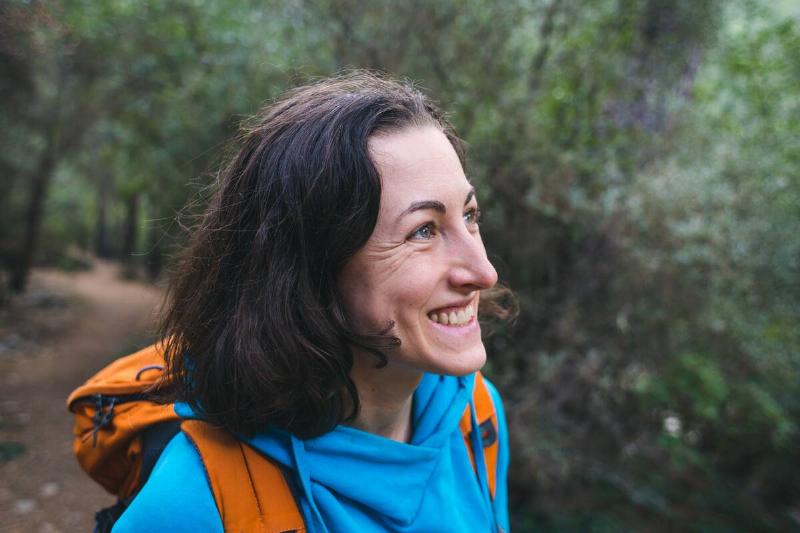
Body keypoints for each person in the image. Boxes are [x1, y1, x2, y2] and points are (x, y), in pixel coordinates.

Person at [112, 71, 513, 532]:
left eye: (470, 215)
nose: (484, 272)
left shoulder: (475, 416)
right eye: (423, 230)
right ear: (307, 270)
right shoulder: (198, 503)